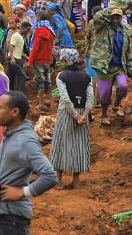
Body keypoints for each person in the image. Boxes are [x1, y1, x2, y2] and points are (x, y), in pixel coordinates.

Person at [0, 91, 59, 234]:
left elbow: (50, 175)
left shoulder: (25, 140)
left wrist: (22, 192)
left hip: (13, 221)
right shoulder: (11, 134)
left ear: (14, 111)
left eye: (0, 107)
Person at [88, 8, 132, 125]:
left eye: (117, 17)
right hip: (105, 66)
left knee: (123, 87)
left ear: (121, 18)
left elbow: (127, 51)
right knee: (105, 93)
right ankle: (104, 116)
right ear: (109, 17)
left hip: (119, 65)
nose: (115, 19)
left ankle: (115, 105)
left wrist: (130, 68)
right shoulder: (103, 28)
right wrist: (111, 7)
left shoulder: (124, 31)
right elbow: (97, 17)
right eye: (113, 17)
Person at [50, 57, 93, 189]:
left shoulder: (61, 76)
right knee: (80, 144)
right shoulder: (87, 77)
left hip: (66, 112)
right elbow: (90, 98)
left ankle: (58, 180)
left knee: (60, 143)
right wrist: (83, 116)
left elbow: (65, 98)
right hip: (82, 113)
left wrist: (75, 115)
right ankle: (76, 180)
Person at [28, 12, 55, 96]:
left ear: (39, 17)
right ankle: (49, 100)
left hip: (39, 59)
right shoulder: (50, 31)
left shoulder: (39, 31)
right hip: (47, 59)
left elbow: (35, 48)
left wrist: (30, 61)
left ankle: (40, 103)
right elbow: (52, 46)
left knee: (40, 82)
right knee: (48, 81)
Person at [6, 21, 29, 92]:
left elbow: (19, 51)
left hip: (18, 60)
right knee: (22, 77)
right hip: (13, 60)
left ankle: (12, 94)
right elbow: (11, 46)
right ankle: (19, 94)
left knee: (13, 79)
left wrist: (26, 58)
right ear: (22, 28)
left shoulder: (22, 37)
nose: (28, 32)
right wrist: (12, 58)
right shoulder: (16, 35)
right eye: (27, 30)